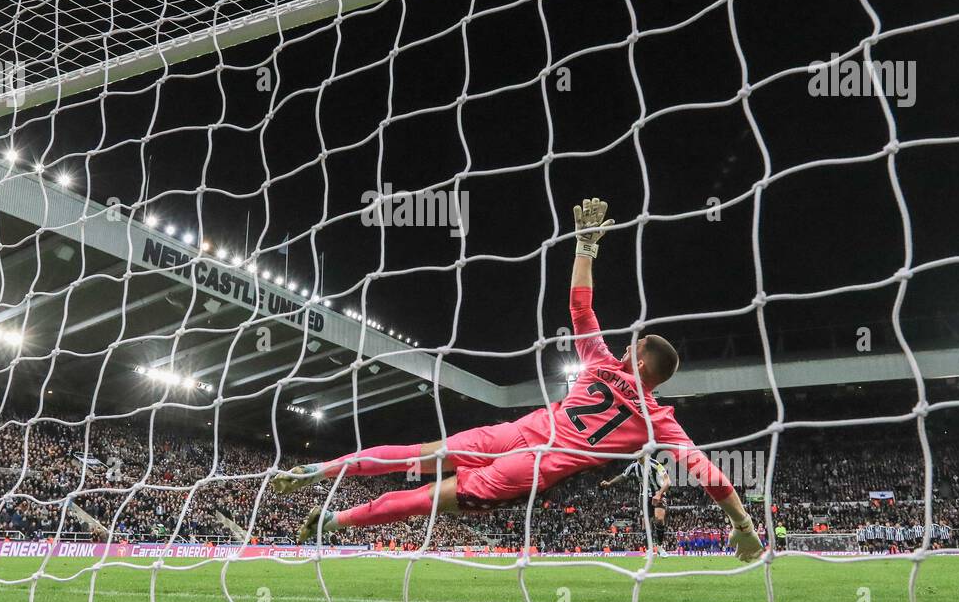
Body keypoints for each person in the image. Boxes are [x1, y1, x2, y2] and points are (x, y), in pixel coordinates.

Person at [273, 198, 763, 562]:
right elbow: (711, 475)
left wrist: (586, 246)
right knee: (422, 502)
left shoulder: (599, 363)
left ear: (637, 358)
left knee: (417, 454)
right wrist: (742, 524)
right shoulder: (657, 421)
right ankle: (334, 520)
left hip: (511, 434)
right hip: (526, 470)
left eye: (633, 345)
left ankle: (320, 471)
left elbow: (580, 307)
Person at [600, 452, 672, 554]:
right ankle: (649, 550)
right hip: (644, 496)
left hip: (658, 493)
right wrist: (610, 483)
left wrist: (659, 494)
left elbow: (667, 481)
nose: (639, 460)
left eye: (641, 458)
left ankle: (660, 547)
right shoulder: (634, 466)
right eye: (638, 458)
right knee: (645, 524)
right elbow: (623, 475)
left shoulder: (655, 464)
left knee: (659, 519)